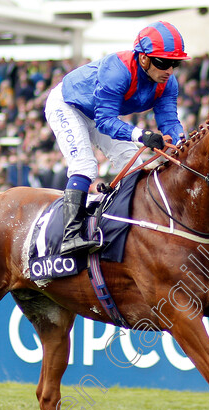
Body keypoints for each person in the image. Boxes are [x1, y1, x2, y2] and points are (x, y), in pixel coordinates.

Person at [44, 21, 189, 255]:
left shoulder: (167, 82)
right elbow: (104, 121)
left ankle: (121, 223)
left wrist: (182, 143)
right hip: (68, 105)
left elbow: (169, 121)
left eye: (175, 63)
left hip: (98, 111)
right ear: (143, 58)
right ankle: (70, 236)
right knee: (85, 164)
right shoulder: (118, 70)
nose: (170, 70)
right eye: (164, 62)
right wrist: (141, 135)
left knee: (134, 163)